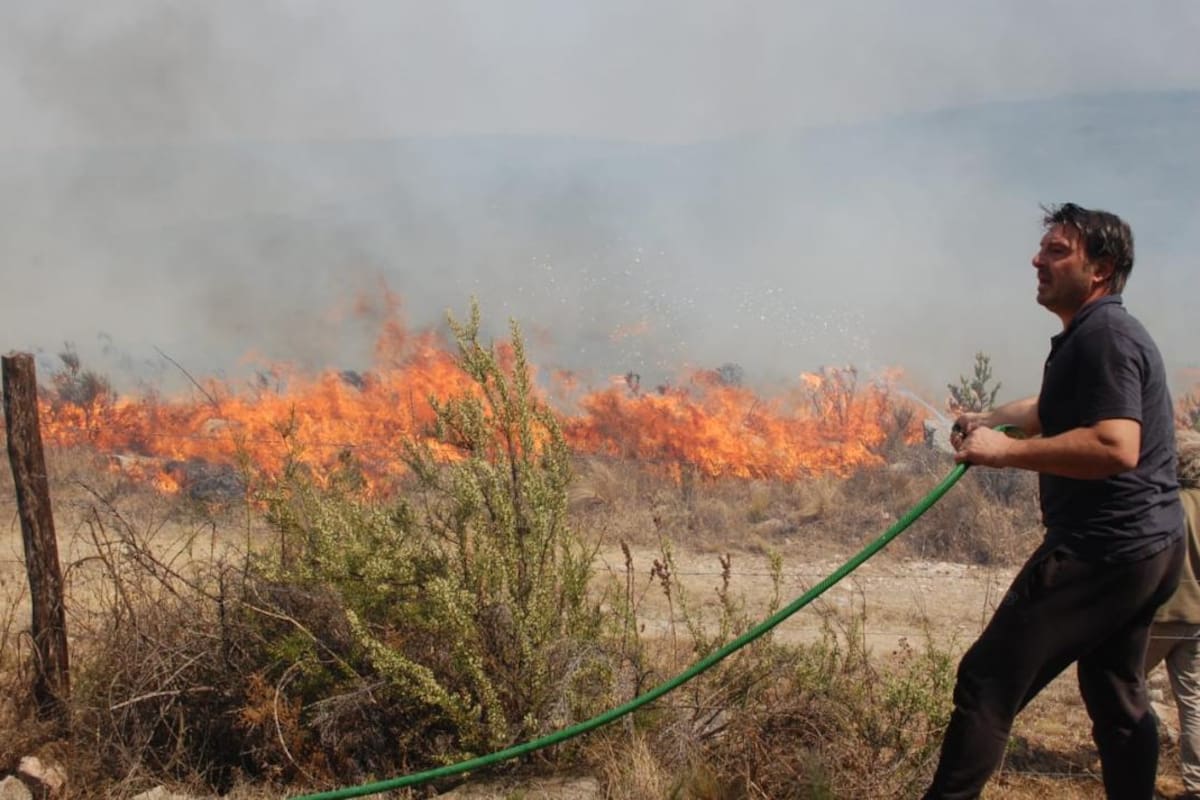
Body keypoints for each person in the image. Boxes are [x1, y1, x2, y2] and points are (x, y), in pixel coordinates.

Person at [923, 203, 1186, 800]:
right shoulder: (1093, 333)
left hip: (1104, 549)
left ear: (1101, 269)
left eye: (1057, 251)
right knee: (1116, 697)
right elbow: (1050, 410)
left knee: (986, 682)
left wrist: (1001, 454)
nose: (1037, 260)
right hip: (1149, 547)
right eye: (1042, 249)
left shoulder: (1107, 338)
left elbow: (1115, 445)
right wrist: (988, 418)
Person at [1147, 429, 1200, 799]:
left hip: (1158, 616)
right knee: (1193, 700)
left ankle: (1135, 772)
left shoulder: (1163, 504)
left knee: (1124, 688)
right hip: (1197, 618)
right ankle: (1197, 786)